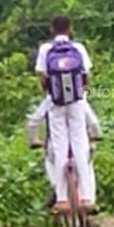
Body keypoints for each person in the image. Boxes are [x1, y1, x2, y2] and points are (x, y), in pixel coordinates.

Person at [34, 15, 96, 211]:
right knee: (81, 148)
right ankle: (86, 197)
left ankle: (62, 199)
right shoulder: (78, 49)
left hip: (55, 102)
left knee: (60, 148)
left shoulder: (45, 49)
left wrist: (51, 94)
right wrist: (79, 94)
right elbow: (86, 77)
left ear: (52, 29)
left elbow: (42, 79)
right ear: (70, 29)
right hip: (77, 102)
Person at [27, 96, 101, 206]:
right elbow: (94, 123)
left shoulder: (50, 100)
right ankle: (88, 199)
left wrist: (34, 139)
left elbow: (33, 122)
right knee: (87, 166)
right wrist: (96, 135)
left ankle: (60, 196)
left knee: (52, 161)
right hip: (81, 146)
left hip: (55, 147)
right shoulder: (80, 99)